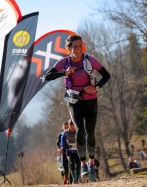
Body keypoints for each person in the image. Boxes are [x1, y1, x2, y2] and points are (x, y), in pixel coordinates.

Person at [45, 34, 110, 179]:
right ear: (69, 48)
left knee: (90, 132)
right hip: (73, 101)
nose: (79, 49)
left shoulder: (90, 60)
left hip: (91, 100)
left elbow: (106, 75)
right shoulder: (64, 63)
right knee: (80, 129)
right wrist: (64, 72)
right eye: (75, 46)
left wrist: (96, 88)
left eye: (80, 45)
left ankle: (92, 162)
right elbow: (47, 76)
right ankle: (83, 164)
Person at [61, 119, 81, 184]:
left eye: (73, 126)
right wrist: (63, 147)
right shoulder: (65, 133)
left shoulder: (78, 131)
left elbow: (83, 139)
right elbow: (63, 141)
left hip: (77, 152)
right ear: (69, 126)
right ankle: (74, 179)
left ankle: (77, 178)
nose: (72, 128)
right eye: (71, 126)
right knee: (71, 164)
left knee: (78, 164)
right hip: (69, 152)